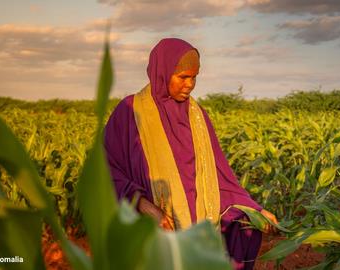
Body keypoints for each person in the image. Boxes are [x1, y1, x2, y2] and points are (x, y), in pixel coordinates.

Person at [104, 38, 278, 270]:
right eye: (183, 77)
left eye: (194, 77)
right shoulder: (130, 112)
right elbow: (106, 169)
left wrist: (255, 211)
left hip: (198, 231)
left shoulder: (197, 116)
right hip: (151, 229)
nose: (190, 84)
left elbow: (221, 178)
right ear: (163, 72)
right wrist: (143, 205)